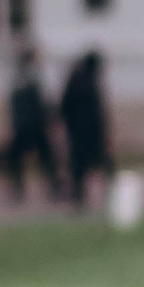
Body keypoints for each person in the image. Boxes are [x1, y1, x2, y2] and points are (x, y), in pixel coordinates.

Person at [58, 48, 111, 205]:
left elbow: (64, 105)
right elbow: (97, 110)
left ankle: (79, 193)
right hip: (90, 131)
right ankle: (110, 190)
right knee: (100, 161)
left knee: (80, 164)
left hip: (78, 131)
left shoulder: (76, 78)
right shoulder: (89, 81)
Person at [6, 46, 58, 199]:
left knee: (22, 158)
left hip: (26, 125)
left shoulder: (20, 78)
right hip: (32, 125)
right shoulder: (31, 78)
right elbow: (41, 103)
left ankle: (20, 189)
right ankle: (50, 186)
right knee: (44, 157)